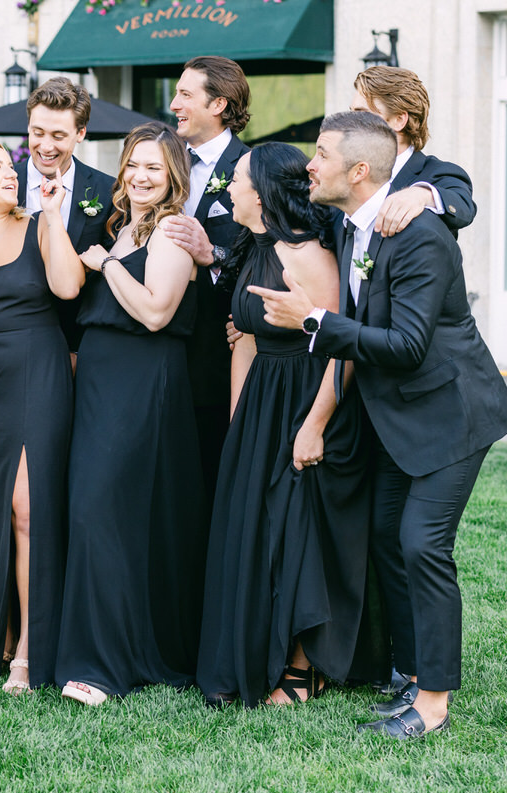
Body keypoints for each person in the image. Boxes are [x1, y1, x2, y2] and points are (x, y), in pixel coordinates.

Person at [251, 110, 507, 739]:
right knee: (385, 536)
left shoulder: (422, 235)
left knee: (424, 544)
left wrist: (312, 320)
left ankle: (432, 703)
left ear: (360, 170)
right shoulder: (351, 229)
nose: (308, 164)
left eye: (320, 153)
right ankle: (408, 674)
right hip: (395, 419)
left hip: (450, 414)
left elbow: (406, 345)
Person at [196, 142, 372, 708]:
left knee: (293, 528)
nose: (229, 188)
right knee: (252, 525)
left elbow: (340, 351)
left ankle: (301, 667)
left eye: (239, 179)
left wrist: (313, 426)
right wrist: (237, 422)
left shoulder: (307, 258)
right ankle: (251, 652)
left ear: (265, 192)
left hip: (305, 396)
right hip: (260, 402)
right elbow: (243, 339)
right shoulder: (256, 250)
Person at [54, 121, 203, 706]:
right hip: (100, 383)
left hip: (142, 384)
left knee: (103, 512)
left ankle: (102, 665)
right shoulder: (121, 229)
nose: (141, 177)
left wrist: (106, 266)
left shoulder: (170, 231)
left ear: (172, 177)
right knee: (99, 511)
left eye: (154, 168)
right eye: (133, 165)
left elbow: (156, 313)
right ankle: (113, 649)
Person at [0, 139, 84, 693]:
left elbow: (68, 287)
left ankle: (30, 647)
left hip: (38, 373)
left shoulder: (40, 226)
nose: (11, 172)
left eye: (11, 164)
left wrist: (52, 214)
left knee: (29, 510)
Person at [159, 55, 253, 572]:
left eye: (186, 95)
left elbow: (268, 260)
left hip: (218, 359)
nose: (174, 104)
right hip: (158, 353)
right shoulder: (163, 159)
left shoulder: (251, 169)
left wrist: (211, 256)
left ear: (219, 105)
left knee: (212, 487)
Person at [12, 77, 115, 354]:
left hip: (80, 345)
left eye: (58, 136)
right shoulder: (1, 184)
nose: (45, 146)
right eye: (37, 133)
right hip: (10, 340)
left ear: (80, 133)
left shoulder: (109, 192)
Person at [350, 66, 476, 238]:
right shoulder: (346, 176)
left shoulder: (439, 173)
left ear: (399, 120)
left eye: (362, 114)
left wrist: (421, 194)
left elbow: (463, 207)